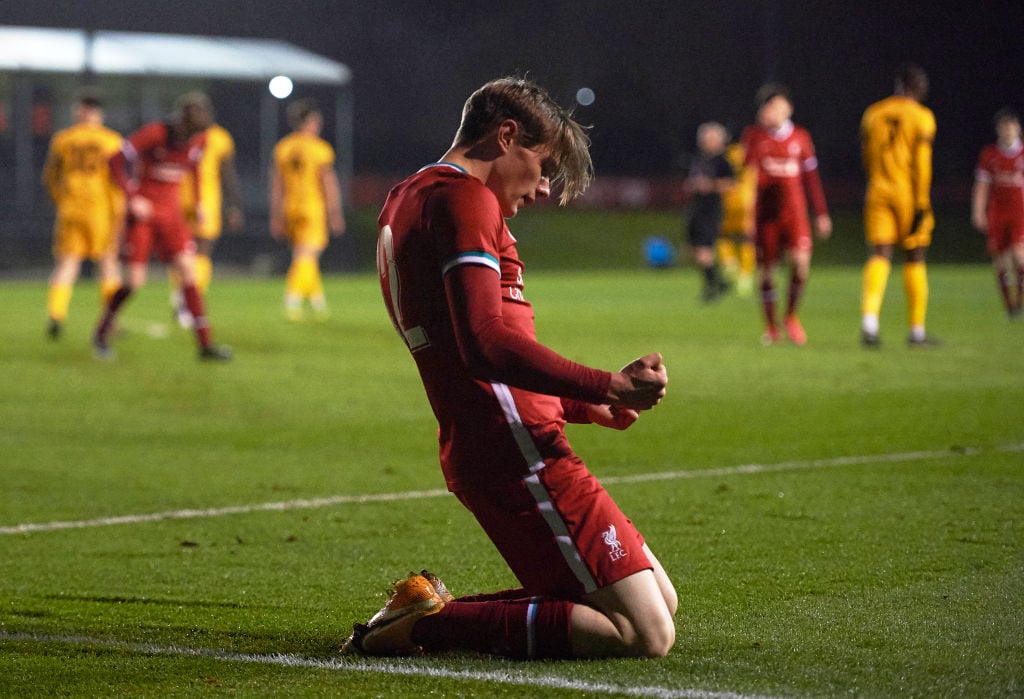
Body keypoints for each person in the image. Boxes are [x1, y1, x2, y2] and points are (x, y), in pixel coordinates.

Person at [341, 77, 675, 660]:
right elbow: (483, 343)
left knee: (658, 600)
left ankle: (423, 611)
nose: (545, 188)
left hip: (499, 433)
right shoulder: (464, 198)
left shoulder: (409, 195)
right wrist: (609, 382)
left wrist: (583, 404)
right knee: (644, 631)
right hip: (514, 446)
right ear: (506, 136)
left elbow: (468, 347)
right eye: (543, 166)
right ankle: (423, 627)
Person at [92, 92, 232, 361]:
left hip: (173, 217)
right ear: (183, 122)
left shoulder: (201, 139)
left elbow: (196, 170)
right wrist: (132, 197)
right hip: (143, 218)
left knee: (189, 273)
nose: (194, 138)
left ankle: (205, 345)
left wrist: (200, 203)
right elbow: (114, 160)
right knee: (134, 282)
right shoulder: (155, 133)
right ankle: (101, 332)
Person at [741, 84, 832, 345]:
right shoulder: (755, 137)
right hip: (765, 216)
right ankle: (771, 327)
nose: (774, 111)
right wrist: (747, 216)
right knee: (767, 272)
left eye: (779, 106)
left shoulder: (801, 138)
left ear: (788, 108)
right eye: (769, 107)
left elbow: (812, 179)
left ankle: (791, 316)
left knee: (801, 265)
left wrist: (822, 213)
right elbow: (747, 177)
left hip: (796, 214)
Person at [859, 63, 938, 348]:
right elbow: (922, 163)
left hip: (878, 189)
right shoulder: (922, 117)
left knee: (879, 254)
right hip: (908, 192)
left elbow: (866, 154)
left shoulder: (873, 113)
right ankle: (916, 331)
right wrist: (921, 202)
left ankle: (869, 322)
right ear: (915, 86)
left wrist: (876, 178)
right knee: (915, 255)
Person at [41, 92, 125, 340]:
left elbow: (50, 176)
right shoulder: (112, 141)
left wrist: (61, 199)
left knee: (68, 262)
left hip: (71, 207)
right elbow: (118, 179)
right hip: (100, 208)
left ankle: (56, 314)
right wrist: (119, 209)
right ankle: (110, 321)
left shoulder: (63, 139)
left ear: (78, 111)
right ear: (99, 113)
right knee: (108, 262)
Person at [172, 95, 244, 328]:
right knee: (200, 251)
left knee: (182, 253)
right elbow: (228, 174)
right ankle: (189, 300)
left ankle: (182, 297)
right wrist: (233, 205)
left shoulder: (179, 133)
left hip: (179, 200)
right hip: (200, 202)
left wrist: (233, 205)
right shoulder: (218, 137)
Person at [269, 99, 345, 321]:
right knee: (308, 254)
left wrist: (276, 216)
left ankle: (317, 300)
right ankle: (292, 299)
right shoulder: (319, 148)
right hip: (312, 207)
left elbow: (276, 185)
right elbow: (327, 183)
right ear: (310, 121)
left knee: (303, 253)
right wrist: (335, 213)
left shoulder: (283, 147)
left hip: (289, 207)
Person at [971, 107, 1024, 319]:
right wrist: (978, 211)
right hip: (997, 213)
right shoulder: (990, 155)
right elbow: (982, 185)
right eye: (1004, 126)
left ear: (1018, 128)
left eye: (1011, 125)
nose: (1008, 130)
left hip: (1019, 213)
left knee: (1020, 257)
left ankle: (1019, 304)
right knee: (1001, 261)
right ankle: (1009, 306)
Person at [683, 121, 735, 302]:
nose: (705, 141)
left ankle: (711, 287)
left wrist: (710, 186)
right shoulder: (699, 158)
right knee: (693, 249)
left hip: (711, 209)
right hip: (696, 207)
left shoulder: (723, 161)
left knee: (705, 249)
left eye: (710, 138)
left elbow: (730, 184)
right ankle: (719, 282)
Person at [718, 138, 757, 298]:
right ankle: (745, 274)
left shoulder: (727, 157)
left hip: (730, 204)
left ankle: (729, 263)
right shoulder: (752, 162)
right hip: (746, 204)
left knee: (723, 236)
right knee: (747, 239)